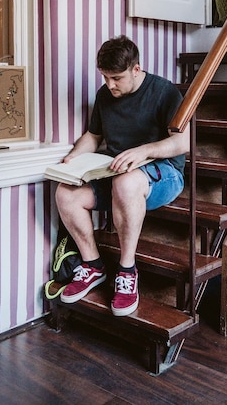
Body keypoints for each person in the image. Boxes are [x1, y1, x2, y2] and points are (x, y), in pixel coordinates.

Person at [54, 35, 189, 316]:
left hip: (164, 174)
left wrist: (144, 151)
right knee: (65, 193)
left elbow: (182, 142)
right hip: (115, 172)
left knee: (126, 182)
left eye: (116, 78)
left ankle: (127, 271)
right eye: (105, 77)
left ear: (136, 69)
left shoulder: (164, 92)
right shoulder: (105, 95)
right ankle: (93, 265)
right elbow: (93, 136)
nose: (109, 85)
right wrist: (73, 159)